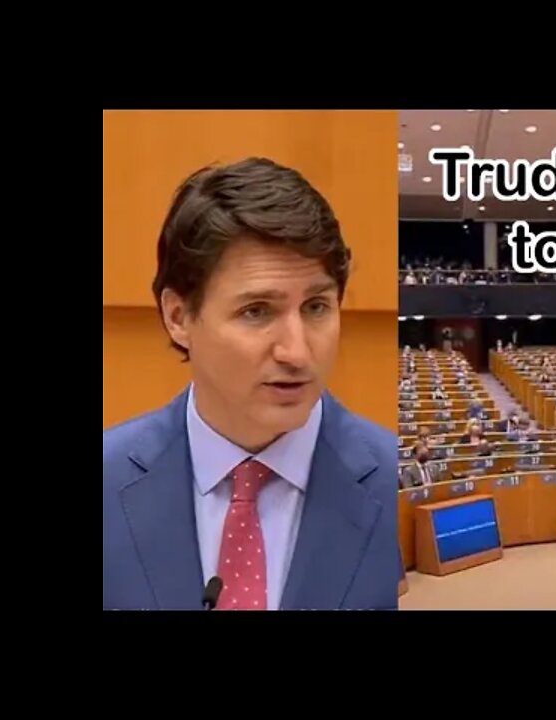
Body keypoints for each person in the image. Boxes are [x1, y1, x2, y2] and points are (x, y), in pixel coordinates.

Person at [103, 157, 400, 611]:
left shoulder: (392, 483)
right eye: (257, 311)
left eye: (317, 307)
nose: (298, 353)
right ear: (178, 317)